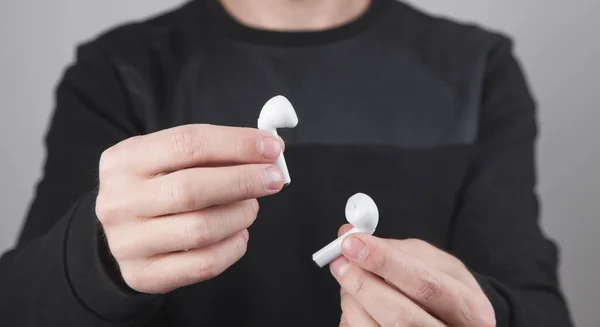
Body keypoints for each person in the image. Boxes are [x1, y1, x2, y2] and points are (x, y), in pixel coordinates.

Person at [0, 0, 575, 326]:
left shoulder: (477, 71)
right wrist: (95, 258)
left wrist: (472, 312)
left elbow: (538, 310)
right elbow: (20, 305)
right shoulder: (119, 72)